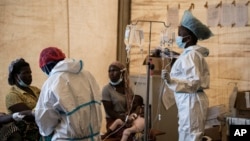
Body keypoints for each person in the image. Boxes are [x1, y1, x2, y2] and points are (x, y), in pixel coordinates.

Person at [162, 10, 213, 141]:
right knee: (187, 133)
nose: (177, 38)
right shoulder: (189, 55)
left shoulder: (191, 55)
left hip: (191, 101)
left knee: (191, 135)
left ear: (188, 38)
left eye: (180, 34)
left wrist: (171, 81)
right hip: (189, 101)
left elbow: (194, 82)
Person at [34, 47, 102, 141]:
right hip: (93, 137)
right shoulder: (87, 75)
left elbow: (45, 120)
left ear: (46, 66)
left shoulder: (52, 82)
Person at [6, 58, 41, 141]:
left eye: (30, 72)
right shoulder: (12, 95)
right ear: (16, 76)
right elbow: (30, 116)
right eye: (25, 73)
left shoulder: (36, 90)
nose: (29, 75)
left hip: (43, 126)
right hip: (28, 134)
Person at [101, 61, 134, 139]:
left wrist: (132, 117)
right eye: (109, 71)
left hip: (128, 119)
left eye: (114, 70)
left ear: (122, 73)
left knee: (147, 133)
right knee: (128, 135)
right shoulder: (107, 89)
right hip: (113, 121)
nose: (111, 73)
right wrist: (124, 118)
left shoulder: (128, 90)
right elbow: (110, 111)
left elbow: (133, 105)